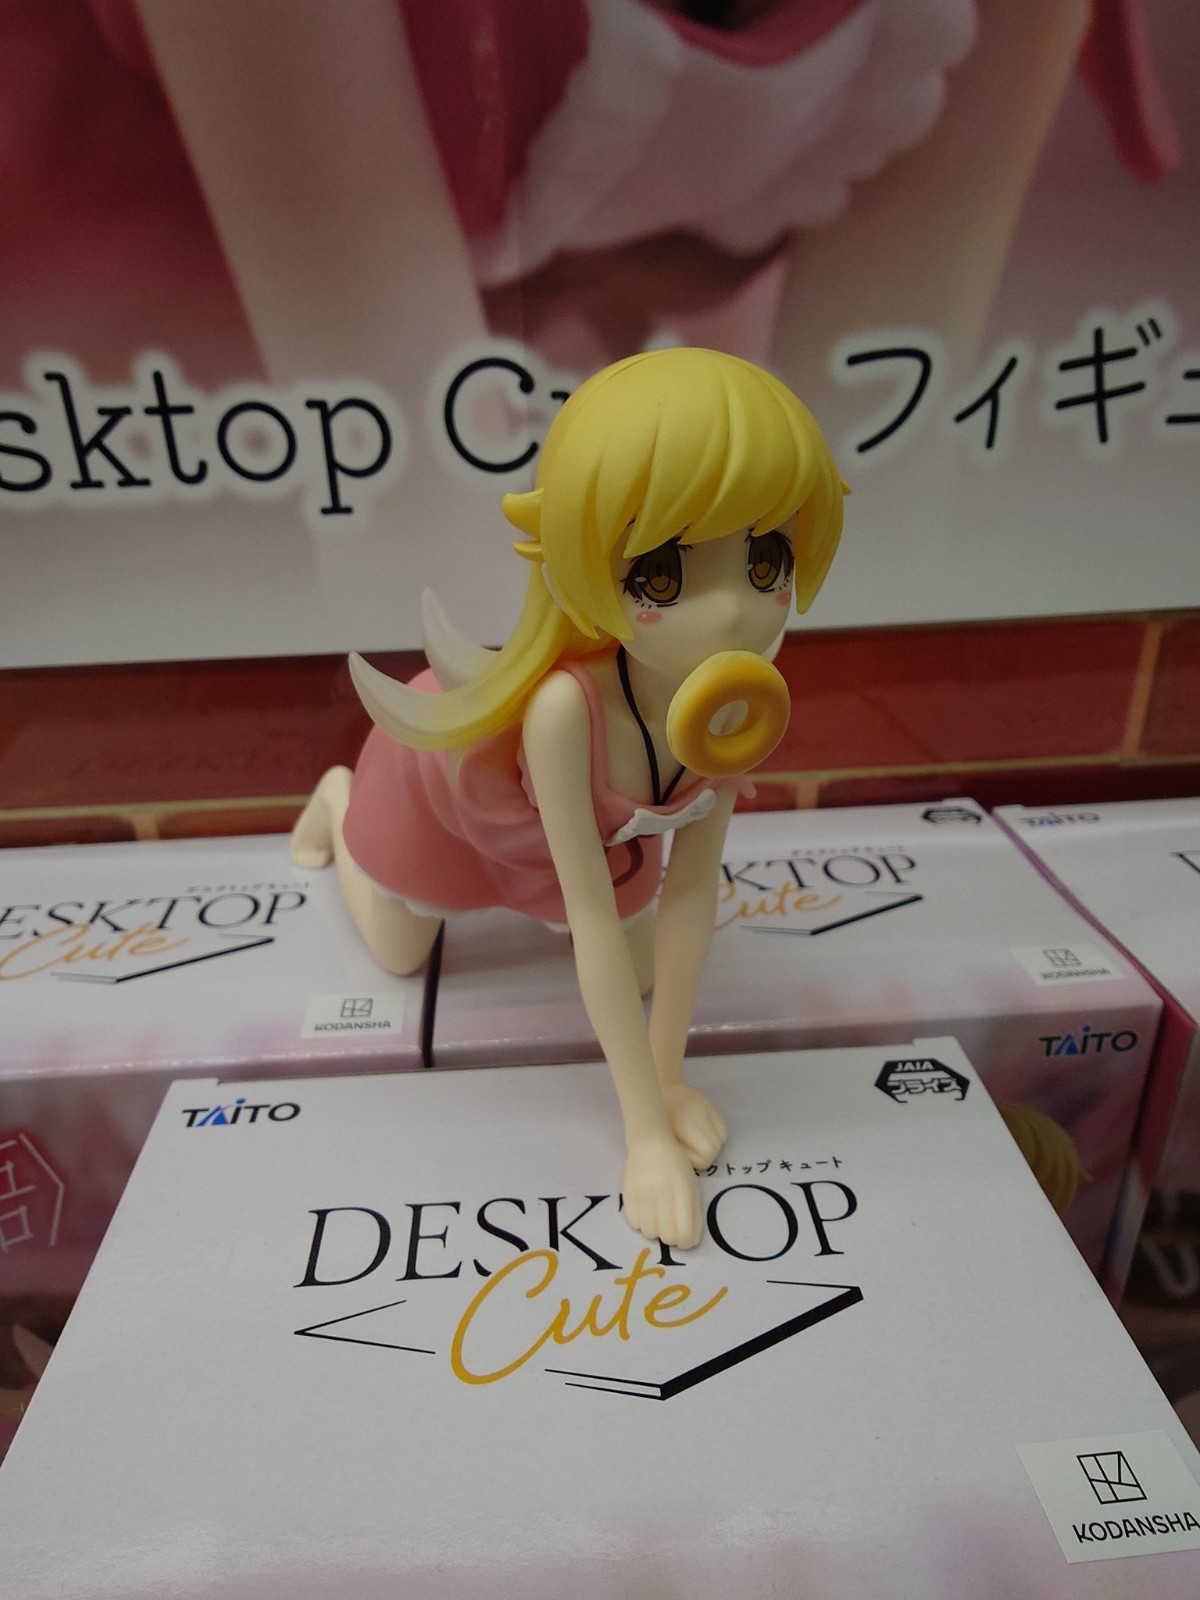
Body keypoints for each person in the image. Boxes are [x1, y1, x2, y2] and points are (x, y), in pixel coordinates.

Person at [292, 348, 845, 1248]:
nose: (732, 614)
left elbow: (692, 892)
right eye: (663, 573)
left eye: (766, 558)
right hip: (437, 789)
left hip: (584, 834)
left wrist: (668, 1082)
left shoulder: (735, 701)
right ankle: (337, 797)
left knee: (644, 973)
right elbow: (589, 916)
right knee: (400, 954)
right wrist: (643, 1137)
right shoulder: (562, 711)